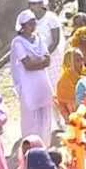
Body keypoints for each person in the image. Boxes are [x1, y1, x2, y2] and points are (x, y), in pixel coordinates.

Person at [10, 9, 54, 145]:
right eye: (30, 23)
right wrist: (40, 62)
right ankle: (30, 148)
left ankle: (44, 145)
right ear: (22, 27)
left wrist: (38, 62)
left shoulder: (39, 39)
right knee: (31, 118)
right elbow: (27, 65)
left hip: (42, 82)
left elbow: (48, 60)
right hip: (28, 84)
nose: (33, 26)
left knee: (45, 115)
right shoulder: (18, 43)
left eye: (34, 22)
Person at [28, 0, 66, 90]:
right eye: (31, 4)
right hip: (38, 56)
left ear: (41, 4)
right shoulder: (30, 19)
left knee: (54, 84)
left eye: (35, 3)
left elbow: (55, 41)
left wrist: (45, 55)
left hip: (53, 55)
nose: (33, 7)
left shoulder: (51, 18)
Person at [56, 48, 86, 120]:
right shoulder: (64, 83)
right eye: (77, 60)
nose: (81, 63)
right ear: (69, 62)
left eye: (82, 59)